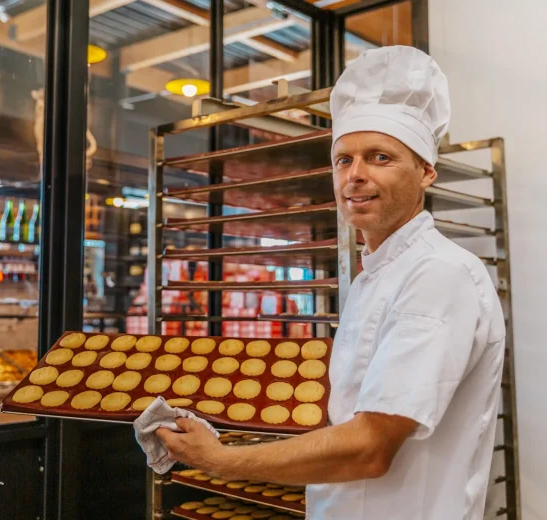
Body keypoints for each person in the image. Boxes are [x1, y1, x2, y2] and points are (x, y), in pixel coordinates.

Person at [152, 46, 506, 519]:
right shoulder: (374, 276)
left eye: (380, 157)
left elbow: (370, 448)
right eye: (343, 160)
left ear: (426, 171)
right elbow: (350, 415)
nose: (355, 175)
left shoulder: (439, 275)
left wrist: (219, 459)